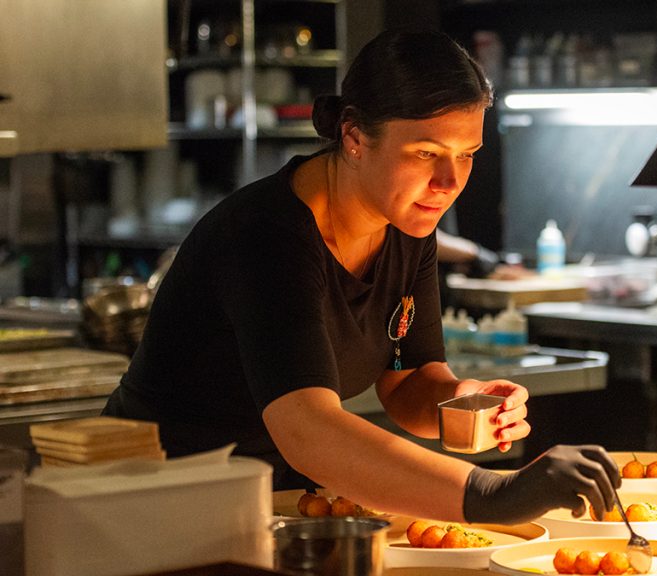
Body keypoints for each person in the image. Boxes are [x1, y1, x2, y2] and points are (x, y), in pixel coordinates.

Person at [102, 29, 619, 525]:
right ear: (353, 136)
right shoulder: (266, 236)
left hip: (276, 495)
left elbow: (409, 379)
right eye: (426, 153)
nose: (449, 182)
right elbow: (309, 429)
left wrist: (465, 401)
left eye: (467, 156)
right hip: (160, 493)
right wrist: (493, 493)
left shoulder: (408, 227)